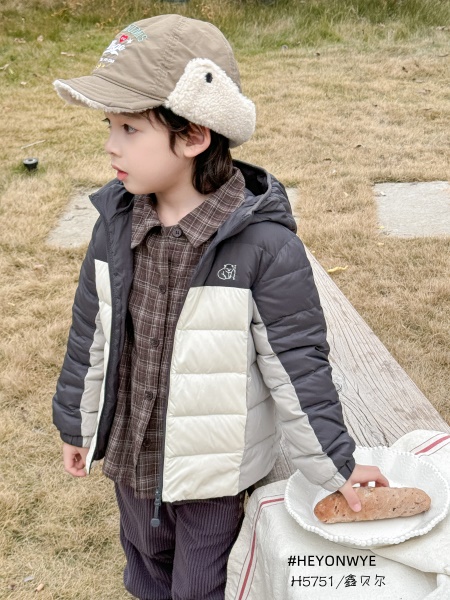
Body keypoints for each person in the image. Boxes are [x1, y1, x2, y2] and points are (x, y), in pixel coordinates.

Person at [52, 13, 388, 600]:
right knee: (145, 571)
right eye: (110, 125)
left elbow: (298, 365)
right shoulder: (114, 225)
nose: (110, 145)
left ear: (193, 135)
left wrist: (336, 465)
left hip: (214, 477)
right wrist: (76, 426)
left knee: (203, 586)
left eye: (129, 128)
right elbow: (90, 334)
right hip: (133, 458)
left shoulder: (264, 246)